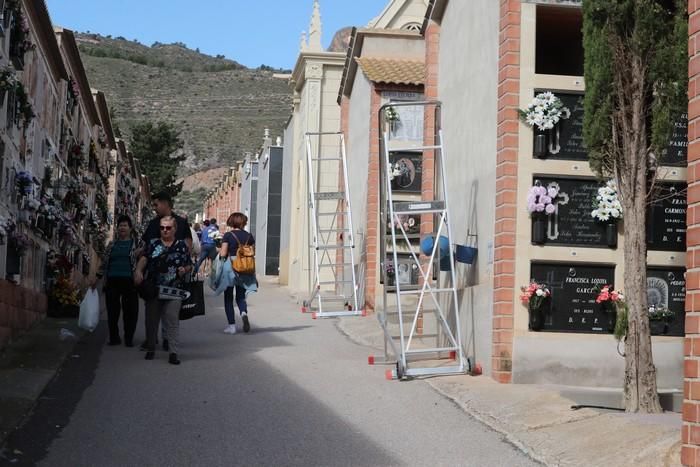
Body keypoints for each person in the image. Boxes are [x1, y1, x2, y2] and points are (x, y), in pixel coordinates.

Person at [134, 216, 192, 364]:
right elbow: (144, 258)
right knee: (151, 321)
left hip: (174, 289)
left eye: (168, 228)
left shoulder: (182, 246)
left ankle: (173, 352)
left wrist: (184, 269)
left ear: (175, 229)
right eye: (162, 228)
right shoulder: (153, 244)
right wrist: (139, 271)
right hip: (154, 288)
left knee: (172, 320)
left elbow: (189, 264)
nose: (165, 230)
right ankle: (151, 348)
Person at [97, 215, 139, 346]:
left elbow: (143, 259)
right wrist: (97, 277)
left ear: (130, 228)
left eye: (125, 225)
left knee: (130, 311)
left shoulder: (136, 244)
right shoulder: (111, 245)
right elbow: (104, 263)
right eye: (120, 225)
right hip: (112, 280)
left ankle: (129, 338)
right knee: (112, 311)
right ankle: (114, 337)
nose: (122, 228)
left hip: (129, 281)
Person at [218, 212, 255, 334]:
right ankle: (243, 312)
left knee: (228, 297)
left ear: (231, 221)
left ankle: (232, 326)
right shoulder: (249, 236)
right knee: (240, 296)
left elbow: (223, 253)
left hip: (231, 267)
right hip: (245, 267)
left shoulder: (228, 235)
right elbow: (251, 252)